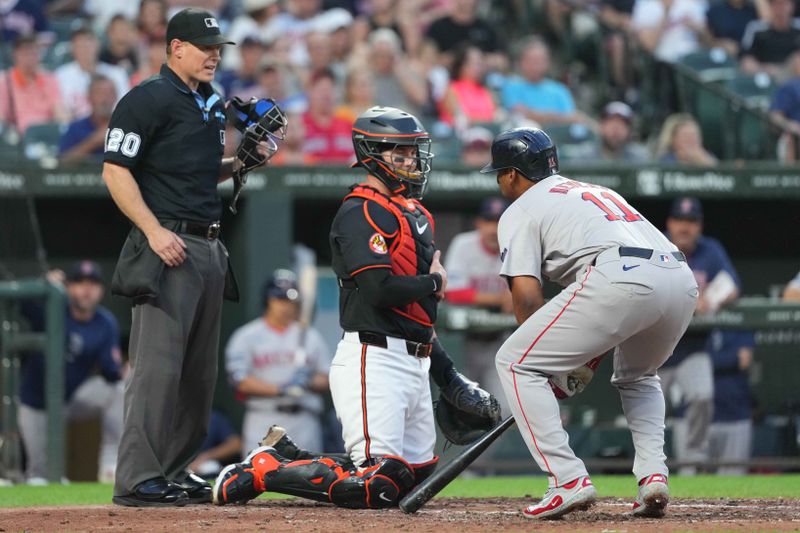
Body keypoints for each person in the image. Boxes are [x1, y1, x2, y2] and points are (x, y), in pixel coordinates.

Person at [212, 106, 500, 509]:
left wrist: (449, 376)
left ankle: (288, 458)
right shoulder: (360, 210)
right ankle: (263, 470)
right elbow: (379, 290)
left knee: (413, 477)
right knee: (377, 484)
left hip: (414, 359)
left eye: (412, 154)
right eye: (399, 154)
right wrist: (435, 281)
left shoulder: (416, 215)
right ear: (372, 155)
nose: (410, 163)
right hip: (373, 357)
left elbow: (418, 316)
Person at [102, 8, 274, 507]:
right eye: (204, 46)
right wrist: (153, 231)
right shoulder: (146, 98)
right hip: (168, 245)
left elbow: (196, 175)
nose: (214, 54)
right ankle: (137, 480)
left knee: (198, 377)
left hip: (209, 244)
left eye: (218, 47)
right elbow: (115, 171)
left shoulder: (211, 102)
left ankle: (173, 471)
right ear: (175, 47)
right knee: (157, 372)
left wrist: (241, 163)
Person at [481, 127, 698, 519]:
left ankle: (566, 479)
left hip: (620, 275)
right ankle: (653, 476)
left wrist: (548, 363)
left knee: (514, 362)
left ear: (512, 174)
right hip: (679, 277)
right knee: (639, 376)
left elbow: (527, 297)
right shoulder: (597, 190)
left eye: (499, 173)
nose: (499, 181)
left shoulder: (521, 208)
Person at [18, 261, 124, 484]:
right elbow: (21, 302)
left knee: (118, 390)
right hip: (35, 403)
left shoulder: (105, 322)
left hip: (71, 398)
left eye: (92, 284)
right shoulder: (51, 309)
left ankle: (110, 466)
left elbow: (110, 372)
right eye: (79, 283)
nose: (86, 289)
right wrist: (42, 285)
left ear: (101, 291)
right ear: (68, 288)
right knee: (39, 476)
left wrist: (125, 372)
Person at [662, 196, 741, 475]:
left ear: (700, 226)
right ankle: (648, 465)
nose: (685, 227)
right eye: (680, 221)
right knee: (645, 411)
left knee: (702, 394)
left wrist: (714, 299)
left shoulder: (711, 250)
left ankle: (693, 459)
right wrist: (689, 297)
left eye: (691, 222)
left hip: (691, 348)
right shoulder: (655, 243)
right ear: (670, 223)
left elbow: (732, 284)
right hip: (654, 351)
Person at [225, 269, 331, 457]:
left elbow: (327, 377)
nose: (286, 306)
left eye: (290, 300)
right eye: (280, 299)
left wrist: (309, 381)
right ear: (268, 300)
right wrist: (281, 388)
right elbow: (240, 380)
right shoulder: (246, 336)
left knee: (309, 480)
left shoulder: (310, 336)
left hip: (304, 419)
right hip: (264, 418)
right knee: (259, 477)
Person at [444, 196, 512, 416]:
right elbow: (452, 292)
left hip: (501, 339)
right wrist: (498, 298)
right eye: (489, 221)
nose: (494, 229)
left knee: (506, 410)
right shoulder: (464, 244)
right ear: (479, 223)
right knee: (462, 409)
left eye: (499, 222)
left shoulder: (517, 247)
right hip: (463, 339)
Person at [500, 38, 585, 127]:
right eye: (532, 60)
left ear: (547, 62)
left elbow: (572, 118)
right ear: (521, 62)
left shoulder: (559, 89)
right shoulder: (511, 86)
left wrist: (538, 115)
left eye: (540, 60)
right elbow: (519, 114)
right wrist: (556, 117)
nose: (536, 65)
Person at [55, 26, 130, 121]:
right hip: (77, 127)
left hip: (111, 125)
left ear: (98, 45)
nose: (86, 49)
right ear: (73, 49)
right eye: (81, 45)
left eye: (89, 43)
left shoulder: (117, 73)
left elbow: (124, 108)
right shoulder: (61, 75)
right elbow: (62, 111)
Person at [708, 329, 755, 476]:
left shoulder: (740, 321)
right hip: (695, 418)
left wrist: (708, 361)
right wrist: (732, 358)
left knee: (734, 478)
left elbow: (744, 360)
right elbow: (682, 359)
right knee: (690, 477)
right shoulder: (691, 316)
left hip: (736, 414)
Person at [0, 34, 67, 135]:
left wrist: (64, 123)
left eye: (34, 52)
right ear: (15, 55)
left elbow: (59, 110)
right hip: (18, 137)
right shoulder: (5, 81)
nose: (31, 57)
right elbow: (1, 116)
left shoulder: (50, 79)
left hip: (46, 132)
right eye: (26, 53)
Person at [59, 75, 117, 164]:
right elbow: (62, 162)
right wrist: (94, 141)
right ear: (89, 97)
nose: (105, 99)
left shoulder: (125, 127)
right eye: (99, 93)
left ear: (115, 97)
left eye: (109, 93)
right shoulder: (76, 128)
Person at [740, 0, 800, 78]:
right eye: (777, 4)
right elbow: (746, 59)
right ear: (771, 6)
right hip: (765, 75)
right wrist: (765, 69)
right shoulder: (756, 28)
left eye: (785, 4)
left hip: (792, 77)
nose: (781, 9)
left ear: (792, 6)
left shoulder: (798, 28)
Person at [188, 410, 243, 478]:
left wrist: (205, 457)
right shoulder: (173, 417)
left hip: (202, 468)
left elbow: (236, 444)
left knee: (211, 467)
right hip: (177, 469)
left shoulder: (213, 417)